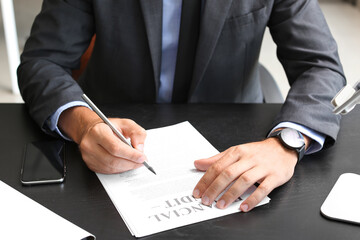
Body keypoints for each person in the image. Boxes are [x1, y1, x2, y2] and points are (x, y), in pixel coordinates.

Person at [18, 0, 345, 212]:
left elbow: (321, 66)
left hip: (236, 135)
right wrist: (82, 123)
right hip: (111, 137)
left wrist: (286, 142)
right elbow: (42, 61)